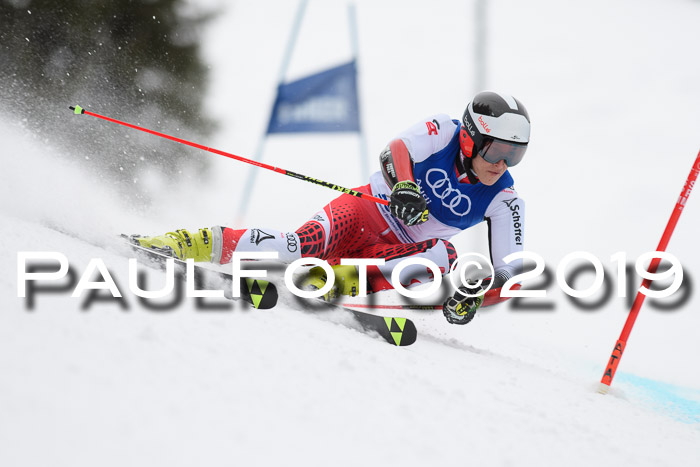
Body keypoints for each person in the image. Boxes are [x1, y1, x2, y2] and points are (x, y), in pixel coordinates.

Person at [132, 91, 530, 325]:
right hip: (359, 213)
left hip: (390, 253)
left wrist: (477, 293)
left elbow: (512, 270)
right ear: (470, 138)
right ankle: (189, 242)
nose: (502, 165)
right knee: (297, 246)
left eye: (515, 156)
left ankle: (333, 283)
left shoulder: (504, 199)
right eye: (497, 150)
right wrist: (404, 187)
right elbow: (395, 151)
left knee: (444, 255)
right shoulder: (442, 130)